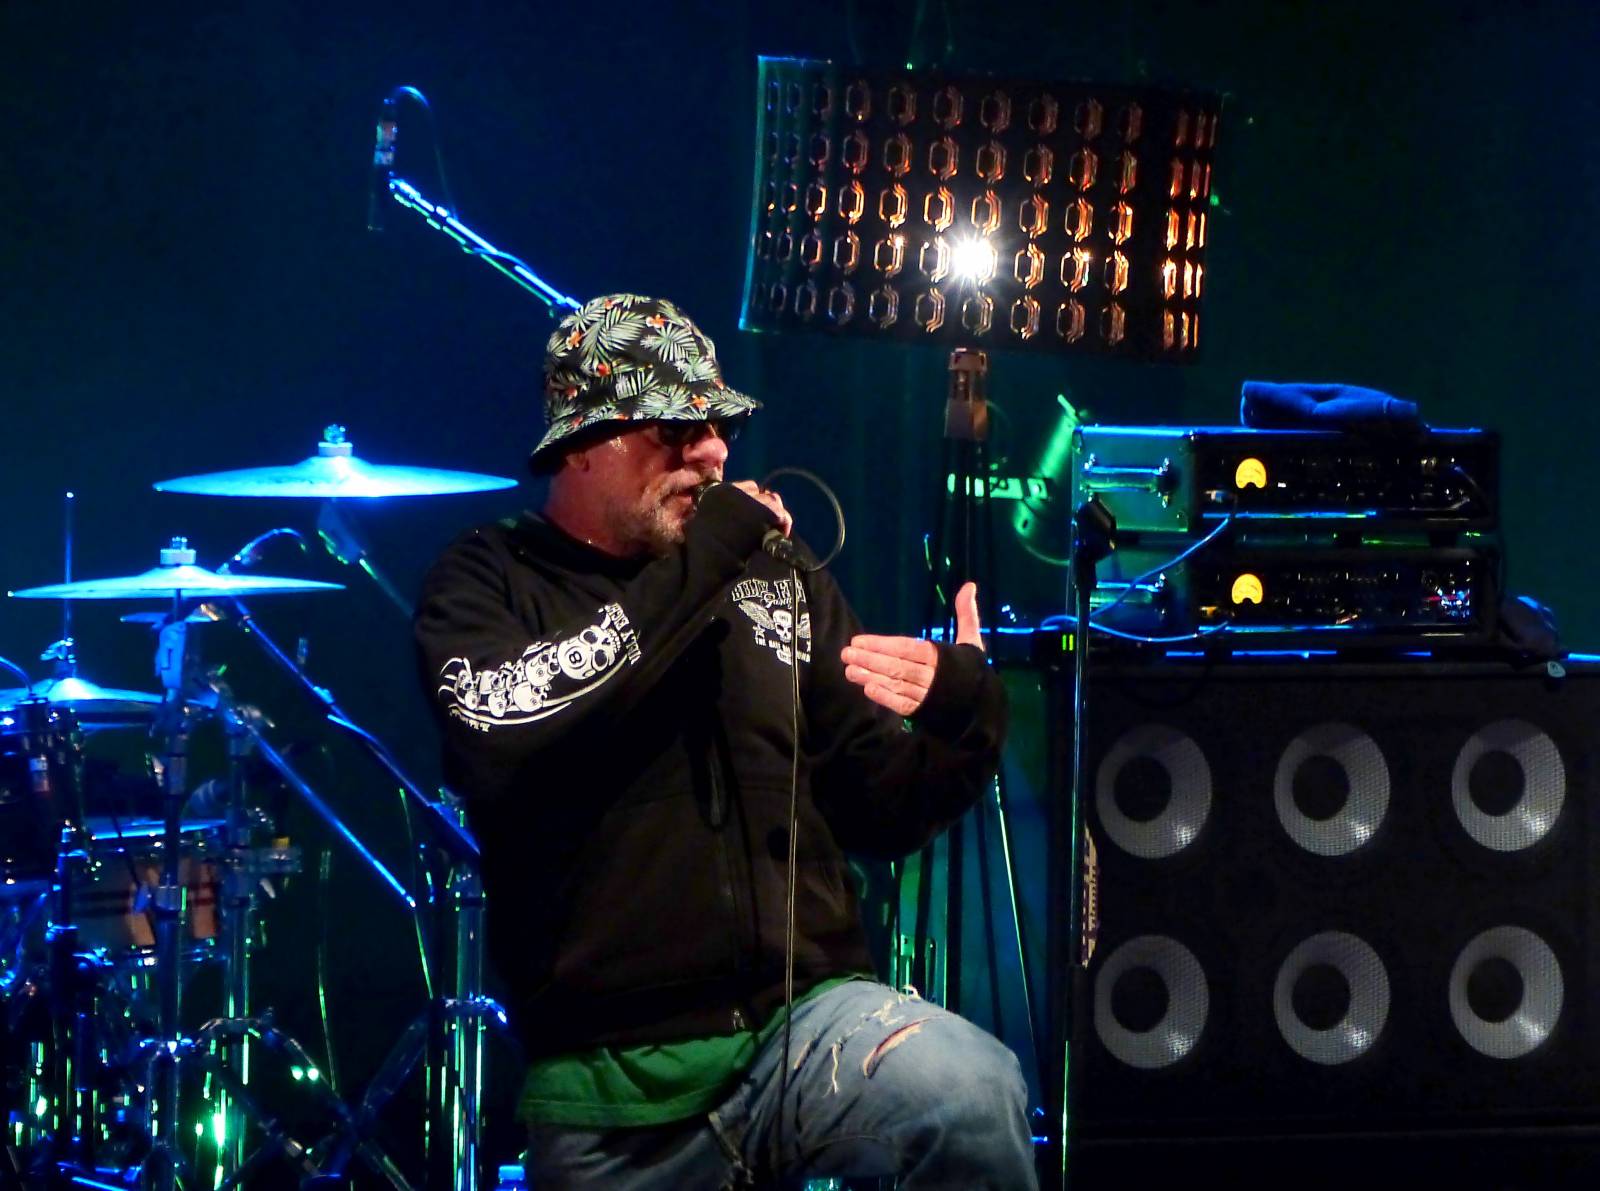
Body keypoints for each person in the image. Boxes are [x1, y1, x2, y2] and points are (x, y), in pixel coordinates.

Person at [413, 293, 1036, 1189]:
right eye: (676, 430)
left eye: (720, 426)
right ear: (582, 443)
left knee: (968, 1093)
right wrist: (709, 552)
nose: (711, 452)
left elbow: (884, 808)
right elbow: (503, 734)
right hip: (612, 1079)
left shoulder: (772, 575)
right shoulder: (491, 577)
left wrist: (965, 714)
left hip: (805, 1026)